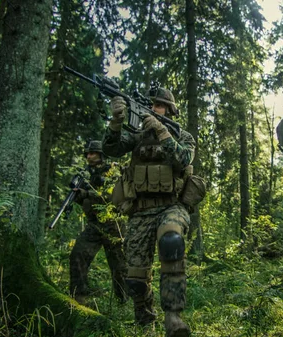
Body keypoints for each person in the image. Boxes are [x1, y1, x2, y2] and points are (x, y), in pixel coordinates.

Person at [104, 87, 198, 337]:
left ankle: (174, 317)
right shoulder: (137, 136)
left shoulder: (182, 135)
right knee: (134, 277)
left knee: (172, 241)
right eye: (153, 104)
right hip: (140, 211)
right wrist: (115, 122)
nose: (155, 108)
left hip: (171, 207)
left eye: (160, 105)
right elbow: (110, 149)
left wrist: (161, 130)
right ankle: (146, 323)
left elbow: (184, 159)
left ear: (169, 110)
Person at [69, 140, 127, 305]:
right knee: (78, 254)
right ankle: (78, 298)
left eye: (92, 153)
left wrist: (87, 194)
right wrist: (79, 196)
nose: (89, 156)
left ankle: (123, 301)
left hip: (113, 225)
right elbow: (86, 201)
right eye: (87, 153)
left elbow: (111, 197)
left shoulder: (113, 171)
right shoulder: (85, 174)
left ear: (101, 154)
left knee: (119, 267)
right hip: (94, 224)